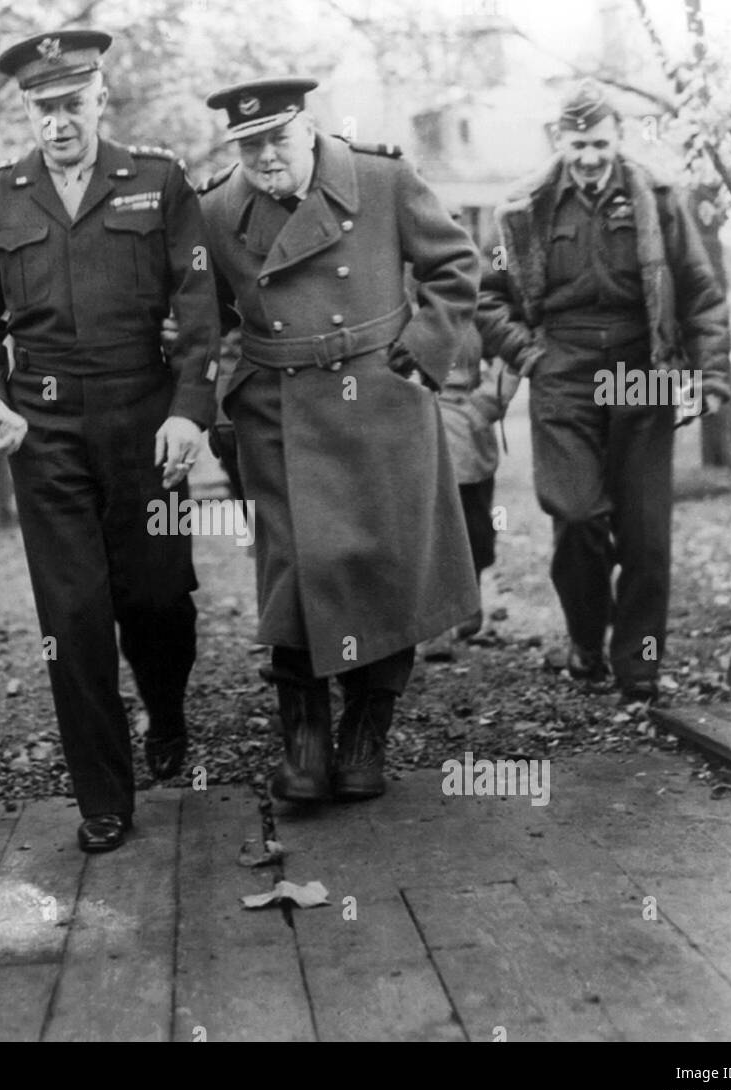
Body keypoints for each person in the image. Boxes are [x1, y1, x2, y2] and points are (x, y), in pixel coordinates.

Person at [0, 29, 220, 854]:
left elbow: (201, 305)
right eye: (42, 108)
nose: (58, 122)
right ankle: (104, 793)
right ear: (25, 111)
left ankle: (166, 708)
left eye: (71, 104)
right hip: (45, 428)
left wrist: (188, 411)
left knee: (156, 598)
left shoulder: (159, 181)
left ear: (101, 99)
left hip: (144, 421)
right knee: (72, 613)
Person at [197, 77, 480, 803]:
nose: (264, 158)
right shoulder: (218, 210)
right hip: (278, 408)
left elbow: (455, 265)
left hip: (380, 394)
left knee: (386, 564)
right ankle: (304, 736)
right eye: (248, 144)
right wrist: (225, 387)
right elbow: (208, 314)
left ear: (309, 127)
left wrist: (422, 349)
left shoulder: (381, 180)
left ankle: (365, 730)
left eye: (276, 139)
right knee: (292, 566)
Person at [477, 80, 731, 702]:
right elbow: (487, 297)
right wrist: (530, 354)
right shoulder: (522, 210)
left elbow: (699, 291)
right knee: (578, 515)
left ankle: (639, 662)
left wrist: (715, 374)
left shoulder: (659, 200)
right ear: (558, 142)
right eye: (577, 143)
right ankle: (586, 639)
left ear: (618, 140)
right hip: (562, 368)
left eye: (599, 142)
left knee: (645, 532)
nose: (589, 155)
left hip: (642, 365)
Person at [422, 315, 523, 660]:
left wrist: (488, 402)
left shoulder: (476, 293)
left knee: (474, 524)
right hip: (413, 418)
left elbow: (511, 348)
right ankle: (433, 622)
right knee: (425, 528)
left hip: (468, 423)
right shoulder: (393, 286)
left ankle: (469, 596)